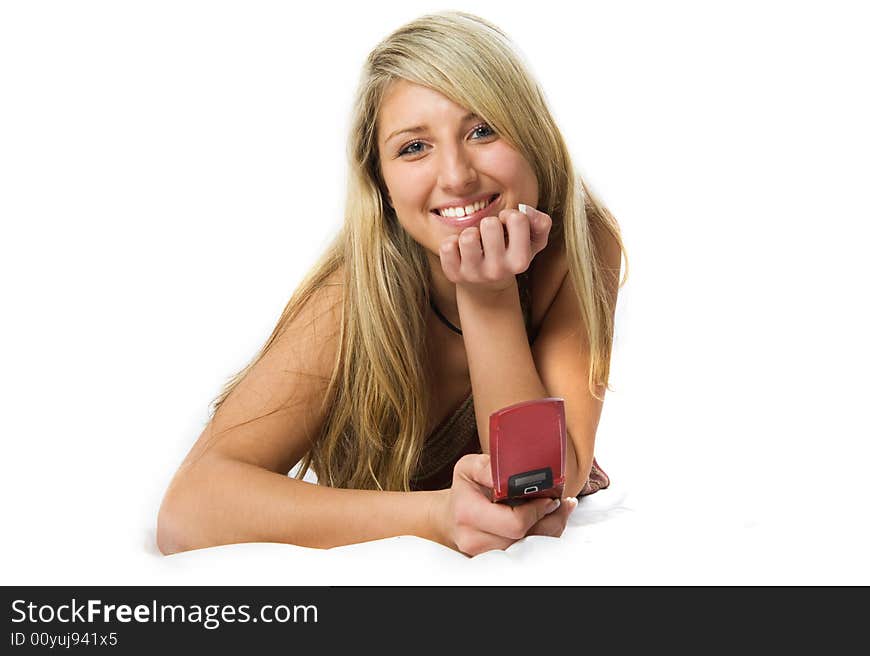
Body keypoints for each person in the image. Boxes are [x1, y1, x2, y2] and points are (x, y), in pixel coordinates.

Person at [157, 10, 627, 558]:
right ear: (380, 184)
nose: (456, 176)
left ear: (534, 133)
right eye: (414, 147)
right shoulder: (347, 301)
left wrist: (487, 296)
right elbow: (186, 511)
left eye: (482, 130)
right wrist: (435, 516)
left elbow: (537, 482)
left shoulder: (583, 239)